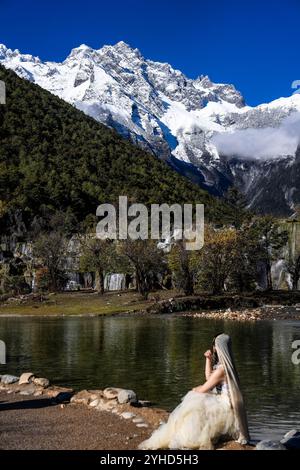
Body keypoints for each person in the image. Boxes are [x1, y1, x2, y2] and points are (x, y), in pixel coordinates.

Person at [139, 333, 250, 450]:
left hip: (225, 404)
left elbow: (204, 389)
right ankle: (187, 432)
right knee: (198, 399)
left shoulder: (222, 370)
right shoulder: (226, 366)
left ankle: (189, 436)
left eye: (215, 345)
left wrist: (195, 389)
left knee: (195, 399)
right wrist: (208, 360)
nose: (214, 348)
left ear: (220, 348)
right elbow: (209, 379)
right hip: (224, 400)